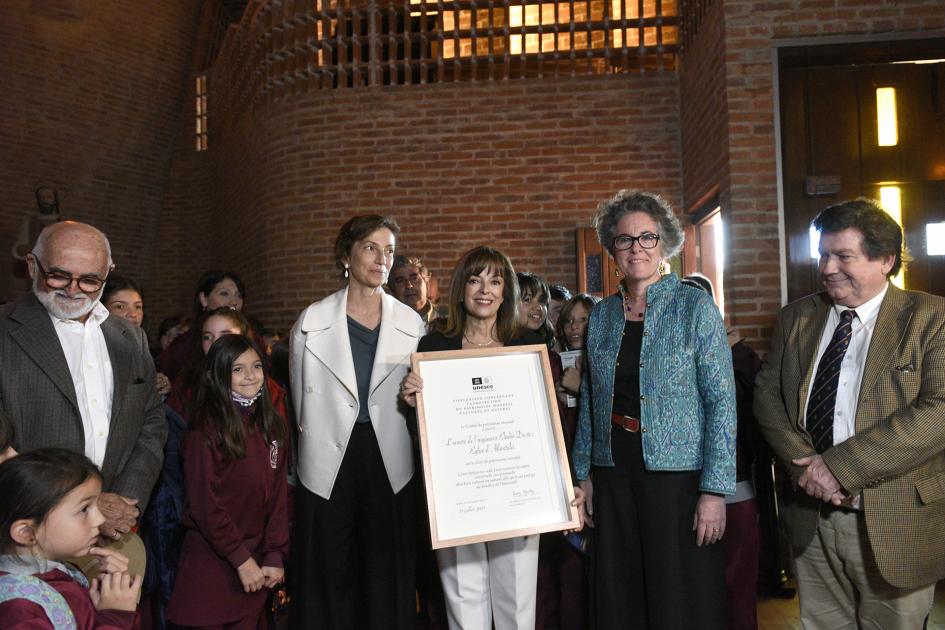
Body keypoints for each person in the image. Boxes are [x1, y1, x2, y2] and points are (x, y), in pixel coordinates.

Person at [754, 198, 945, 629]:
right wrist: (804, 466)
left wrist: (837, 468)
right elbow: (767, 394)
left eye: (844, 256)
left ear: (885, 260)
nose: (827, 268)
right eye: (823, 254)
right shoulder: (797, 317)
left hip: (894, 522)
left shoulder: (932, 318)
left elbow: (939, 411)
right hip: (811, 519)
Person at [572, 190, 736, 629]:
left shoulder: (694, 306)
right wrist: (583, 474)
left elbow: (721, 400)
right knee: (620, 592)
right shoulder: (603, 315)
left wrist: (715, 490)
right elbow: (591, 397)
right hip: (614, 472)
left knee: (677, 596)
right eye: (625, 240)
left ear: (664, 244)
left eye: (647, 237)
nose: (636, 248)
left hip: (678, 479)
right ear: (612, 251)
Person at [401, 246, 583, 630]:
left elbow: (545, 427)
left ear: (506, 292)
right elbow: (425, 434)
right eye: (475, 279)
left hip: (517, 495)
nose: (485, 290)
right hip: (459, 497)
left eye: (496, 281)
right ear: (461, 288)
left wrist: (562, 486)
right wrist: (411, 401)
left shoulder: (527, 349)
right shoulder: (433, 348)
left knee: (517, 606)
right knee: (464, 608)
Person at [289, 215, 425, 629]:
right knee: (331, 569)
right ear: (345, 254)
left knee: (385, 571)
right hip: (330, 457)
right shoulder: (311, 322)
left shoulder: (412, 323)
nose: (381, 259)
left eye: (388, 250)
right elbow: (299, 403)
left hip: (389, 456)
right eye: (370, 247)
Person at [0, 221, 166, 541]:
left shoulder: (131, 338)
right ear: (33, 265)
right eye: (59, 275)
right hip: (28, 535)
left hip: (116, 532)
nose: (73, 290)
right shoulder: (4, 331)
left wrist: (124, 503)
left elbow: (151, 420)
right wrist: (85, 506)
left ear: (108, 272)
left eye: (90, 280)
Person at [166, 335, 289, 628]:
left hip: (257, 566)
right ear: (218, 375)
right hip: (213, 565)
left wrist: (274, 552)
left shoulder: (272, 425)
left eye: (256, 366)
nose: (250, 376)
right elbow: (204, 505)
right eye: (237, 369)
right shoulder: (204, 430)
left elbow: (278, 496)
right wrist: (241, 559)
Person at [682, 273, 762, 630]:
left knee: (738, 585)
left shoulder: (741, 357)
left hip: (734, 484)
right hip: (680, 488)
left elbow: (750, 419)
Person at [0, 448, 142, 628]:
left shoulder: (62, 572)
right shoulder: (18, 610)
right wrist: (115, 617)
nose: (99, 519)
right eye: (84, 510)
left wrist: (113, 596)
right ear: (27, 532)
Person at [158, 270, 245, 382]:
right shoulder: (184, 346)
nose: (234, 301)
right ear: (204, 299)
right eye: (224, 293)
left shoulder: (252, 339)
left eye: (239, 295)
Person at [101, 274, 172, 397]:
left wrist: (159, 388)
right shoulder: (94, 351)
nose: (133, 314)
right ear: (101, 310)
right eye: (120, 306)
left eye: (138, 306)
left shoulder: (142, 348)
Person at [389, 254, 439, 325]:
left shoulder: (449, 324)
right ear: (392, 290)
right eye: (400, 281)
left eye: (414, 278)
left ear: (426, 283)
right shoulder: (385, 325)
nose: (409, 285)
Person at [516, 271, 555, 349]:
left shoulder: (543, 341)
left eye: (542, 301)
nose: (539, 307)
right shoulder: (502, 345)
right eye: (527, 299)